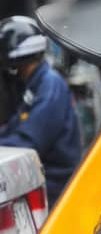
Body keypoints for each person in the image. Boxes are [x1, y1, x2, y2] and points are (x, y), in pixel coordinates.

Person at [0, 15, 83, 203]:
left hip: (55, 185)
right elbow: (15, 128)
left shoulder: (49, 84)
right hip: (42, 177)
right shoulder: (32, 85)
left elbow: (29, 140)